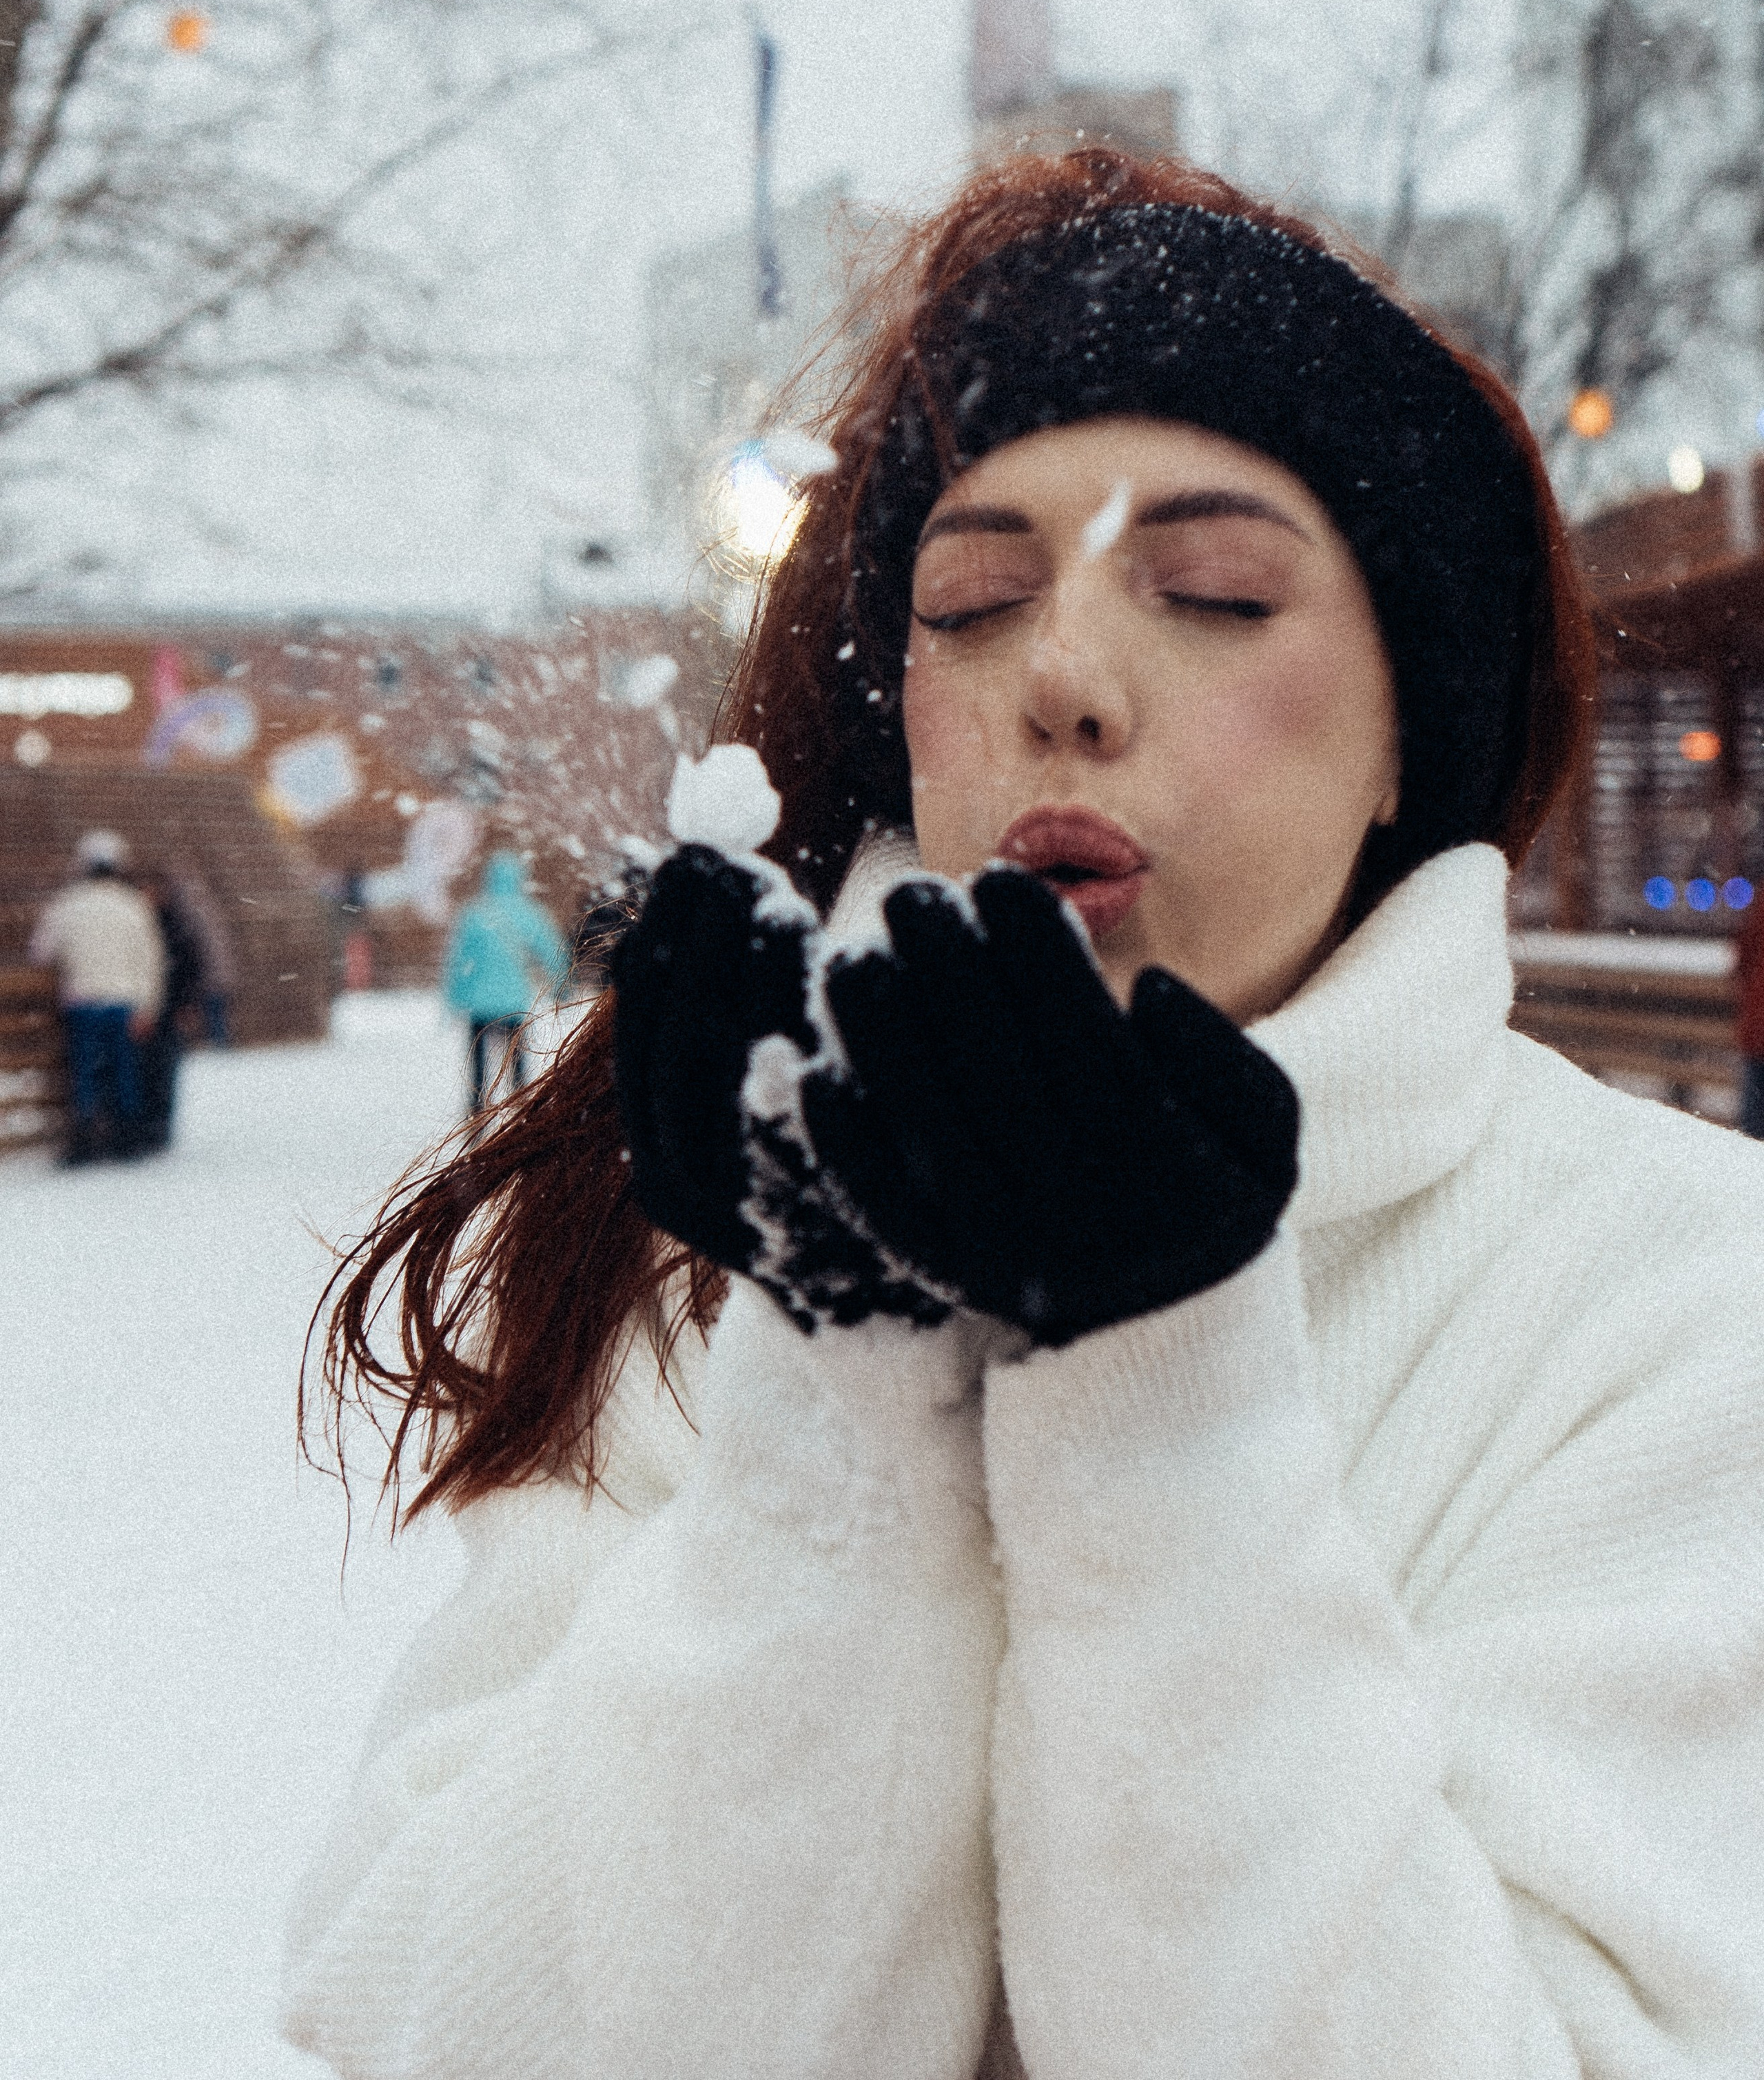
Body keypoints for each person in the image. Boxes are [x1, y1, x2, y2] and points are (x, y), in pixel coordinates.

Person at [288, 150, 1764, 2080]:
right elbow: (443, 2021)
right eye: (974, 604)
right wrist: (845, 1376)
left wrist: (1163, 1392)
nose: (1061, 679)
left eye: (1217, 593)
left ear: (1417, 712)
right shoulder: (732, 1246)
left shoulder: (1676, 1290)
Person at [29, 829, 166, 1167]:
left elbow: (42, 951)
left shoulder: (67, 903)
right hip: (123, 1002)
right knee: (124, 1070)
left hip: (82, 1001)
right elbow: (150, 959)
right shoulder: (133, 905)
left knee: (85, 1072)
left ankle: (85, 1138)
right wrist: (148, 1007)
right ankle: (126, 1137)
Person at [440, 848, 571, 1113]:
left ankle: (477, 1110)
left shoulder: (475, 914)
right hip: (514, 1003)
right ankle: (520, 1108)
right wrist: (562, 986)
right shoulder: (530, 914)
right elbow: (552, 952)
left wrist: (453, 1001)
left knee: (479, 1067)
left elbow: (459, 963)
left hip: (481, 1005)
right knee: (517, 1064)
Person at [133, 869, 207, 1154]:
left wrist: (187, 1005)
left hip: (170, 1008)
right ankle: (146, 1125)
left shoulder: (176, 925)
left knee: (164, 1067)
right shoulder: (142, 923)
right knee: (145, 1067)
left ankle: (160, 1127)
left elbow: (191, 967)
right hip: (145, 1006)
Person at [171, 864, 238, 1046]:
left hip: (210, 977)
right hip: (218, 975)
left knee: (213, 1014)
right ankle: (220, 1044)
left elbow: (204, 951)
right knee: (217, 1013)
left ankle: (218, 1046)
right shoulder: (209, 912)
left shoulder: (191, 915)